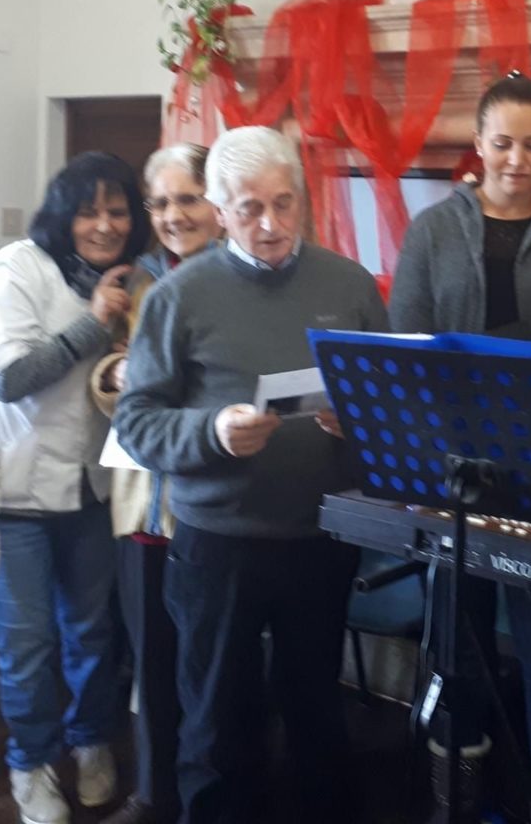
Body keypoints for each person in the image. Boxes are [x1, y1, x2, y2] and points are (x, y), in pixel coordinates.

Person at [115, 125, 390, 824]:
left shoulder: (350, 286)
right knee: (216, 726)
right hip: (218, 543)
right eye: (249, 209)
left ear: (301, 197)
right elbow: (136, 424)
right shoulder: (179, 296)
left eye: (283, 203)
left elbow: (390, 416)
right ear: (218, 211)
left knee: (317, 718)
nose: (270, 225)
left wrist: (359, 426)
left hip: (320, 537)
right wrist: (211, 432)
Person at [391, 72, 531, 811]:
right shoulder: (430, 230)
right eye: (504, 143)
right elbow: (407, 345)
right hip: (450, 463)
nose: (519, 160)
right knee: (458, 638)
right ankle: (456, 789)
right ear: (478, 144)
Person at [0, 151, 150, 824]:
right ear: (62, 215)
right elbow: (10, 379)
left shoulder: (138, 277)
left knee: (91, 632)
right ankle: (31, 763)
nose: (105, 225)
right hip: (7, 487)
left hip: (87, 485)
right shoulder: (16, 268)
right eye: (88, 211)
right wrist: (94, 321)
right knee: (25, 644)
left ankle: (90, 741)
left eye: (118, 210)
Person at [88, 143, 220, 824]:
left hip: (213, 504)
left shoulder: (239, 277)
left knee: (210, 667)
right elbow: (114, 381)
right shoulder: (138, 281)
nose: (174, 215)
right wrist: (112, 377)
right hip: (145, 498)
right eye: (161, 203)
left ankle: (208, 797)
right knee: (152, 659)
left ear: (217, 201)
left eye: (188, 199)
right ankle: (153, 793)